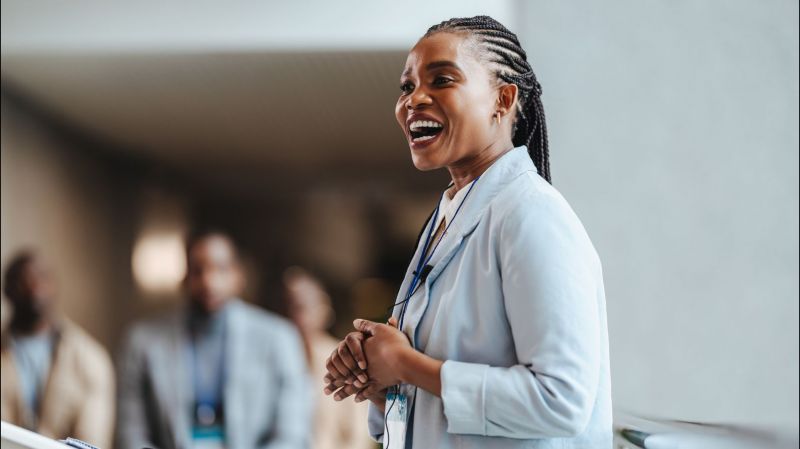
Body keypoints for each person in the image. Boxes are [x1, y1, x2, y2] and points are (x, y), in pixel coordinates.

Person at [323, 16, 612, 449]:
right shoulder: (447, 219)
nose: (414, 99)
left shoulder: (532, 214)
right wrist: (381, 381)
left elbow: (562, 401)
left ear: (503, 98)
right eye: (406, 87)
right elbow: (440, 401)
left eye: (442, 80)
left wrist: (407, 365)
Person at [116, 231, 310, 449]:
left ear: (239, 276)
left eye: (221, 269)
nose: (209, 281)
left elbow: (292, 435)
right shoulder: (142, 341)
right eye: (198, 271)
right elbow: (131, 434)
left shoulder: (279, 339)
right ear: (184, 278)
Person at [0, 250, 115, 448]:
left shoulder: (91, 359)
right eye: (22, 280)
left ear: (55, 287)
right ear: (7, 290)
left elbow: (93, 441)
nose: (33, 287)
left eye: (41, 277)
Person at [283, 267, 374, 449]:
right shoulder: (276, 359)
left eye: (301, 307)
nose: (295, 317)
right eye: (288, 308)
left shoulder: (343, 359)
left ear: (323, 311)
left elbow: (359, 434)